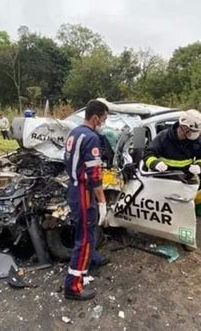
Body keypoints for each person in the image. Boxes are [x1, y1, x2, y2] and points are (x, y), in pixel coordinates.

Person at [143, 109, 201, 249]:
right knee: (163, 209)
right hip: (163, 178)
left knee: (185, 211)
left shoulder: (197, 139)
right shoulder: (163, 137)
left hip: (184, 179)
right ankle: (159, 231)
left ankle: (186, 238)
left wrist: (199, 166)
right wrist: (155, 163)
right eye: (193, 131)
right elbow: (148, 154)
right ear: (184, 128)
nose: (196, 135)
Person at [64, 99, 110, 301]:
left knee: (86, 230)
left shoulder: (75, 132)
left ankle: (90, 258)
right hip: (83, 191)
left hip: (74, 187)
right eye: (104, 119)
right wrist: (102, 202)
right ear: (95, 117)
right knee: (83, 238)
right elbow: (94, 176)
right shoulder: (92, 138)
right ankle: (73, 286)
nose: (103, 123)